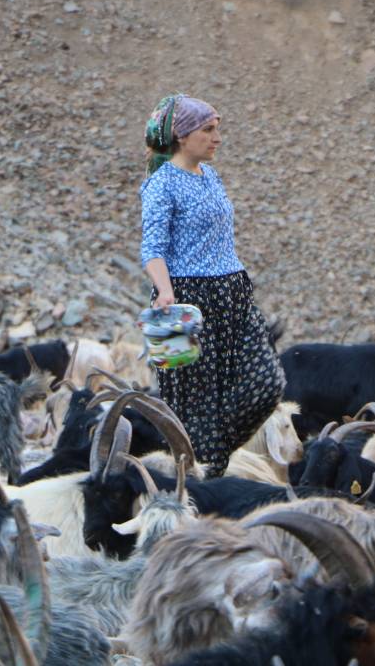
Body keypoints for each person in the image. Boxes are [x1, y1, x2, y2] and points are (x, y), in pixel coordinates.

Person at [139, 94, 284, 478]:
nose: (217, 137)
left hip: (233, 293)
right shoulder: (160, 184)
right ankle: (204, 483)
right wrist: (165, 290)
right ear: (183, 136)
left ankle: (212, 459)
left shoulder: (211, 175)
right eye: (208, 129)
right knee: (193, 408)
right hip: (185, 299)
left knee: (267, 384)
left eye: (217, 128)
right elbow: (152, 248)